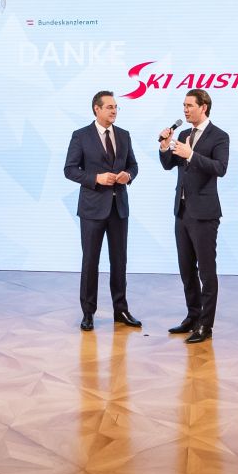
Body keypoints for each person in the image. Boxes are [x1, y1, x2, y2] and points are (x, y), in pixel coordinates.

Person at [63, 90, 140, 331]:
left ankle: (121, 310)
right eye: (110, 107)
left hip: (119, 209)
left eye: (116, 107)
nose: (114, 111)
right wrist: (95, 177)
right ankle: (88, 312)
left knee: (120, 262)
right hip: (92, 209)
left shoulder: (124, 135)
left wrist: (128, 175)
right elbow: (70, 169)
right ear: (96, 109)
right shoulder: (81, 136)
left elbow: (133, 165)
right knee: (90, 262)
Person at [161, 88, 230, 345]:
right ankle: (192, 315)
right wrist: (164, 146)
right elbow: (169, 165)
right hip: (182, 211)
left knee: (206, 271)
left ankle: (206, 325)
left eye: (189, 105)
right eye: (184, 105)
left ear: (204, 107)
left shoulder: (219, 136)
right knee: (186, 268)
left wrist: (191, 154)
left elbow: (220, 168)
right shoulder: (183, 133)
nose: (185, 109)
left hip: (204, 213)